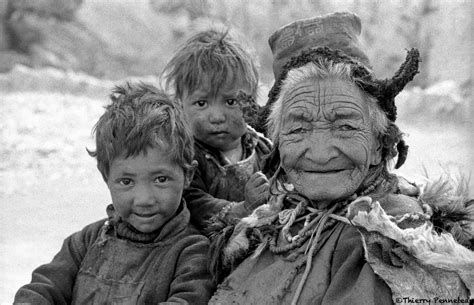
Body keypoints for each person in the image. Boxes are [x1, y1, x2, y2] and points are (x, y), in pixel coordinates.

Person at [208, 12, 474, 304]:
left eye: (345, 126)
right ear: (278, 144)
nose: (320, 154)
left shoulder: (398, 239)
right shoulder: (268, 222)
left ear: (378, 143)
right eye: (297, 128)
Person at [14, 83, 214, 304]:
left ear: (188, 175)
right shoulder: (85, 242)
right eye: (127, 182)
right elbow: (41, 290)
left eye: (161, 179)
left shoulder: (193, 252)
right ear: (106, 178)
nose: (144, 200)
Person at [161, 29, 273, 233]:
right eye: (201, 103)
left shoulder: (263, 148)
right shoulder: (186, 155)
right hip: (204, 242)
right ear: (180, 105)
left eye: (231, 102)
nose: (217, 116)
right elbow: (192, 200)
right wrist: (242, 209)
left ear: (252, 101)